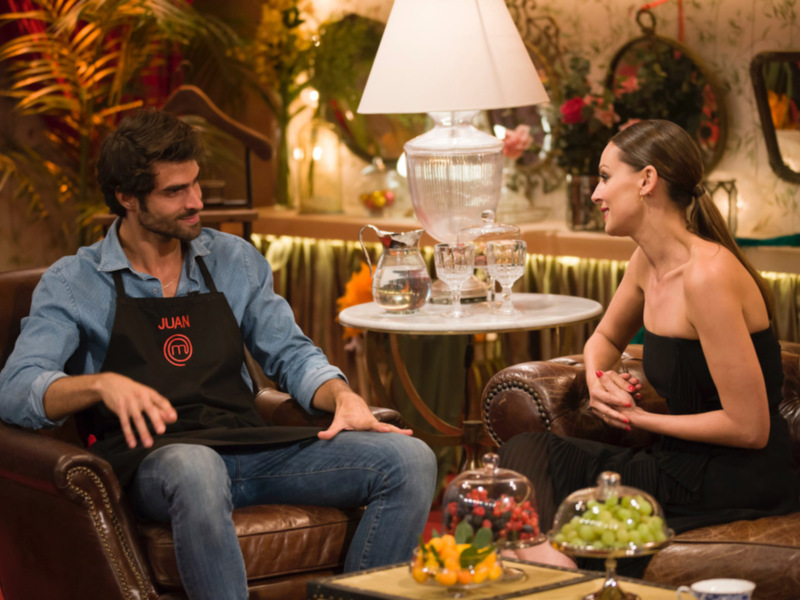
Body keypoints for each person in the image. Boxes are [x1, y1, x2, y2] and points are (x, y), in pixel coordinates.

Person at [0, 109, 437, 600]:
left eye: (195, 184)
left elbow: (291, 353)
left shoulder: (234, 260)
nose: (196, 203)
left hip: (249, 448)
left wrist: (341, 395)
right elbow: (15, 390)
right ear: (126, 197)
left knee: (410, 460)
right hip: (155, 462)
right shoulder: (75, 282)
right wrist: (99, 384)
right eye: (175, 192)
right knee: (196, 466)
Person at [500, 119, 800, 570]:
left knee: (564, 506)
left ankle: (548, 572)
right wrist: (598, 381)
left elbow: (750, 428)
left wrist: (639, 418)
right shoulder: (646, 261)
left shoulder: (707, 276)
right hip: (673, 461)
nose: (596, 194)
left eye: (605, 177)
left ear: (647, 180)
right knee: (525, 451)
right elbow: (604, 338)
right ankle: (548, 566)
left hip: (734, 477)